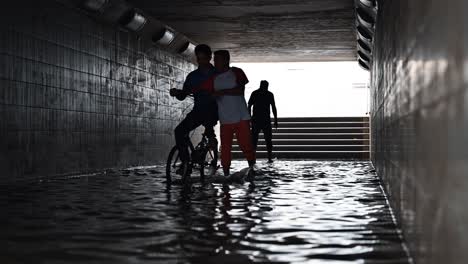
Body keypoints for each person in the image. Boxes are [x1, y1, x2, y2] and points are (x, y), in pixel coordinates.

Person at [193, 50, 256, 177]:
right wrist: (181, 92)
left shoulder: (236, 72)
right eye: (214, 60)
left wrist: (221, 92)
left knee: (246, 146)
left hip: (241, 117)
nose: (214, 62)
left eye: (217, 60)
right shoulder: (213, 78)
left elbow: (240, 90)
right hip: (225, 120)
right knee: (225, 149)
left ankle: (252, 166)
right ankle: (226, 174)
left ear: (226, 60)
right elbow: (198, 88)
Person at [169, 44, 218, 173]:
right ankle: (185, 163)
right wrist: (177, 93)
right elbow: (183, 95)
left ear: (209, 57)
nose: (201, 62)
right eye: (199, 59)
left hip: (214, 110)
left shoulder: (217, 74)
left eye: (203, 58)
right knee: (179, 131)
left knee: (209, 127)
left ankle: (211, 144)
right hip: (198, 111)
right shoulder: (192, 76)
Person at [248, 80, 278, 163]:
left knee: (255, 139)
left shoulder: (255, 93)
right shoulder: (269, 94)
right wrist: (275, 119)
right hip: (265, 120)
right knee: (268, 139)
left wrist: (249, 117)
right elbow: (273, 107)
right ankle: (269, 157)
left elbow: (249, 105)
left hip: (256, 119)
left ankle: (253, 158)